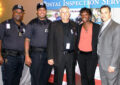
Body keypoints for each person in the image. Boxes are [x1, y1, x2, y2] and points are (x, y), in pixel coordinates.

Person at [47, 6, 76, 85]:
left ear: (69, 14)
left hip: (71, 56)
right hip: (58, 56)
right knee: (58, 79)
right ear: (60, 14)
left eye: (66, 12)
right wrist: (50, 57)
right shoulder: (53, 25)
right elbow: (50, 41)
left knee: (71, 79)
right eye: (63, 12)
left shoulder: (75, 25)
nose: (65, 14)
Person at [25, 3, 52, 85]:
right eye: (40, 10)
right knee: (36, 78)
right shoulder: (31, 23)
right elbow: (27, 40)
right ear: (37, 12)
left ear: (46, 11)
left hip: (48, 54)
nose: (42, 11)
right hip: (35, 54)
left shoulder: (51, 23)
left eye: (43, 10)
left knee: (45, 77)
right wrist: (27, 55)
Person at [0, 4, 25, 85]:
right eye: (16, 12)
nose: (18, 14)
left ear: (22, 14)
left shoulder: (24, 27)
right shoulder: (4, 24)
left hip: (21, 58)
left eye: (20, 12)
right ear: (13, 12)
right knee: (8, 80)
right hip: (9, 57)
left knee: (17, 80)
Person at [97, 5, 120, 85]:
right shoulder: (101, 25)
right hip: (102, 63)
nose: (103, 15)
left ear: (110, 13)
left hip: (110, 65)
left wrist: (113, 65)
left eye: (105, 12)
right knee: (104, 83)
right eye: (102, 13)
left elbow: (117, 48)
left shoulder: (116, 27)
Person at [77, 7, 100, 85]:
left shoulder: (97, 27)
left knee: (90, 76)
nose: (84, 16)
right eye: (82, 14)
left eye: (86, 14)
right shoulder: (79, 27)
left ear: (90, 15)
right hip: (81, 55)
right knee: (83, 76)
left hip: (92, 56)